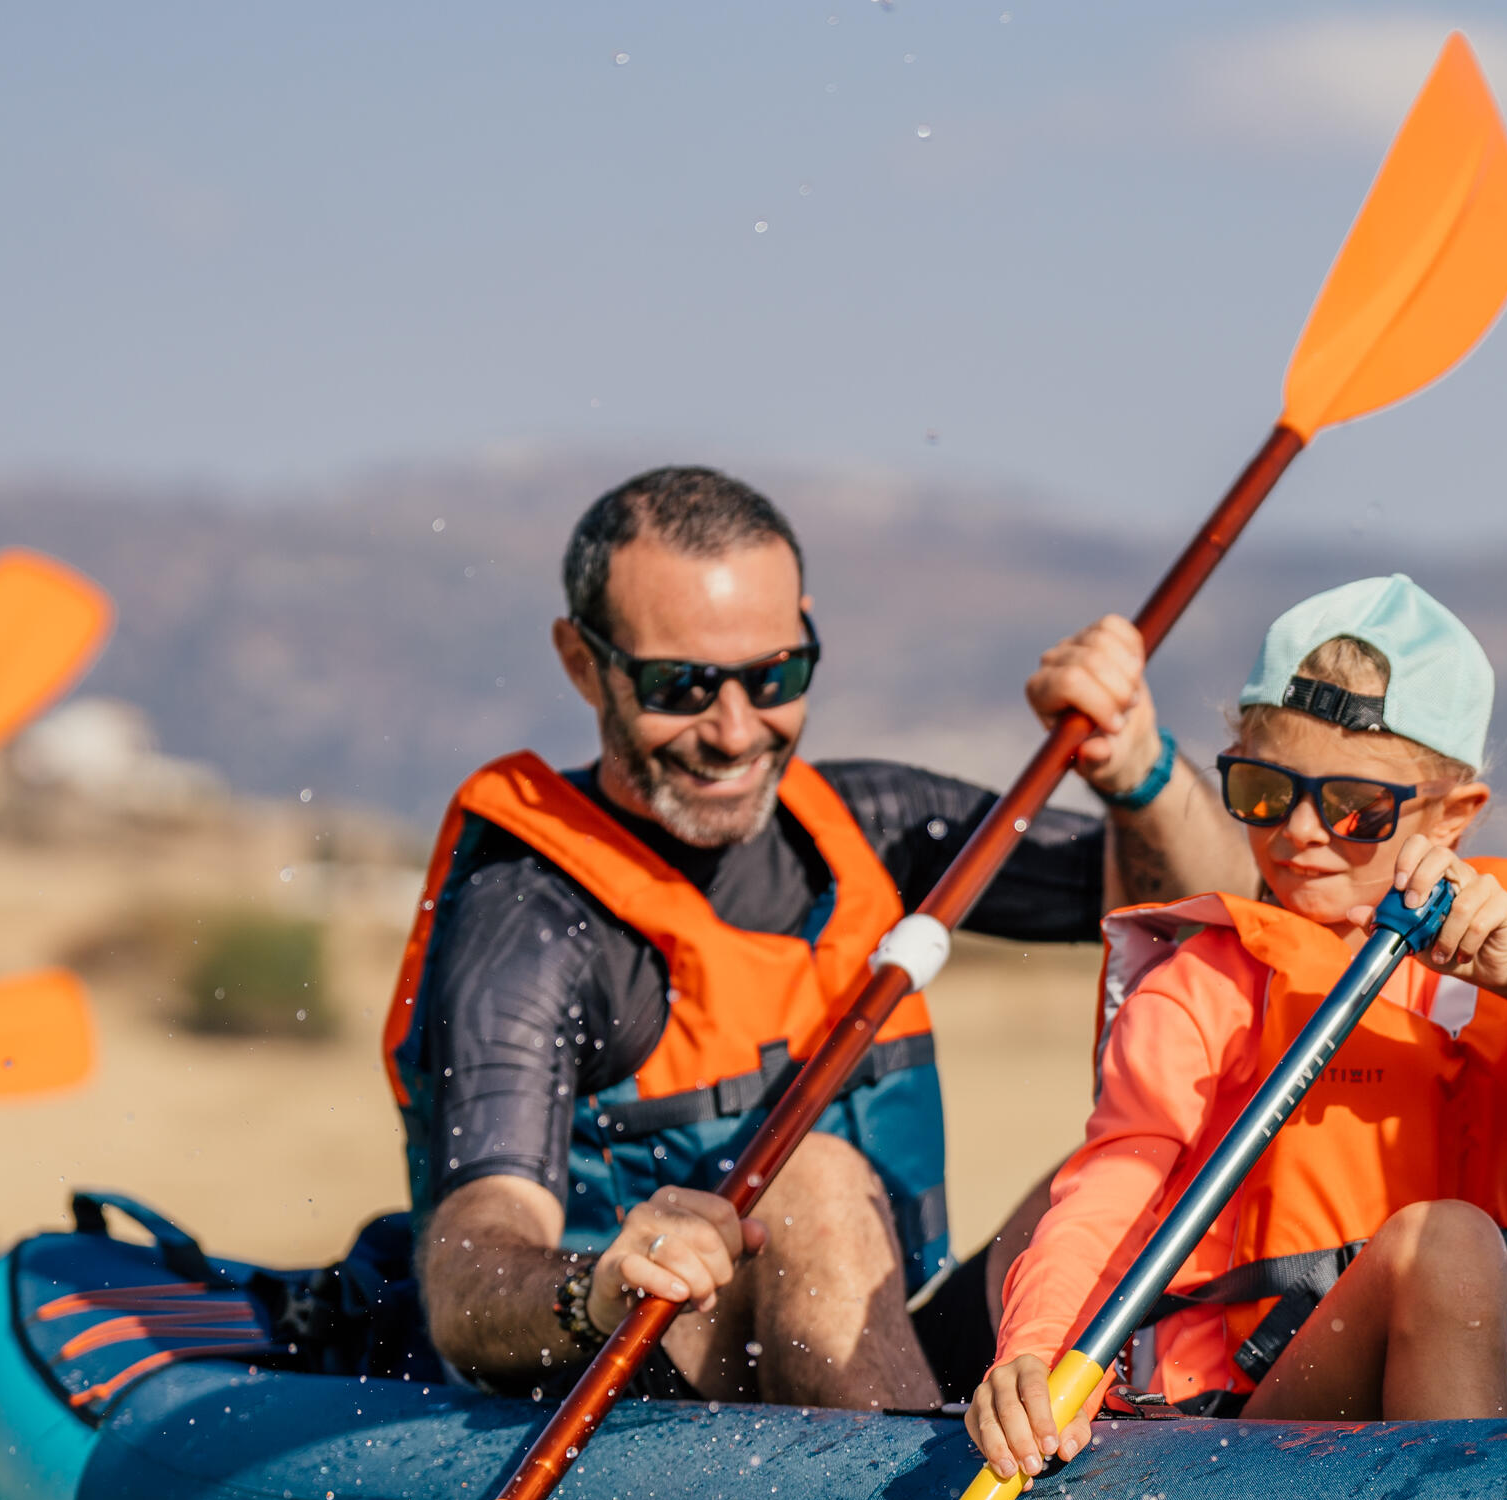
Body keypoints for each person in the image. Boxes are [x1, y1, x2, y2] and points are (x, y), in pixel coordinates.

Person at [385, 465, 1258, 1407]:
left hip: (876, 1339)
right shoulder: (529, 920)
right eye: (680, 686)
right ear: (582, 662)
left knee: (1154, 1164)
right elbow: (469, 1273)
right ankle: (929, 1498)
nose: (734, 732)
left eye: (773, 677)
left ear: (805, 634)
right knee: (813, 1185)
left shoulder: (870, 823)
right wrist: (594, 1288)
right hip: (629, 1396)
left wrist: (1138, 769)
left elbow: (1220, 906)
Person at [963, 576, 1507, 1477]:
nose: (1301, 831)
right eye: (1265, 790)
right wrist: (1035, 1351)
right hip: (1263, 1423)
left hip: (1490, 1397)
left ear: (1454, 817)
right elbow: (1109, 1194)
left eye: (1355, 808)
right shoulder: (1198, 988)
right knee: (1447, 1245)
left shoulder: (1505, 971)